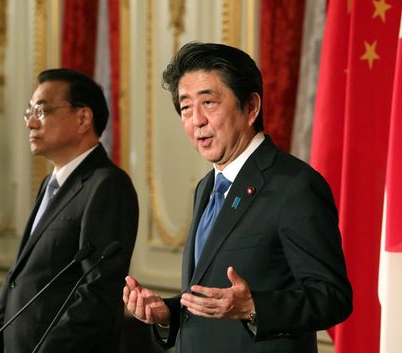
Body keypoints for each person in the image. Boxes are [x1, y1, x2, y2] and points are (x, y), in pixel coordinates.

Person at [123, 42, 352, 353]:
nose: (196, 120)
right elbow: (213, 295)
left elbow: (332, 298)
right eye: (186, 107)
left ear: (251, 107)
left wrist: (253, 307)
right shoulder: (207, 186)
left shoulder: (294, 185)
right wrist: (169, 312)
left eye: (208, 102)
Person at [0, 68, 139, 353]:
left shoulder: (107, 185)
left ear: (83, 118)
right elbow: (18, 277)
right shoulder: (49, 185)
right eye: (29, 112)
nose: (31, 123)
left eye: (41, 111)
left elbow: (98, 291)